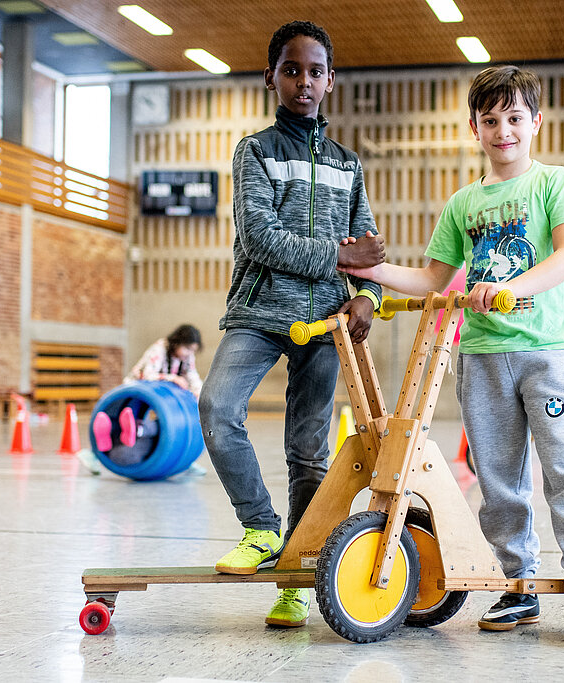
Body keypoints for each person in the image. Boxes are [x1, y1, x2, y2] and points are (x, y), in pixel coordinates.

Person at [341, 65, 564, 650]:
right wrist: (367, 270)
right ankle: (520, 585)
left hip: (546, 349)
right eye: (491, 121)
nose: (503, 131)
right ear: (474, 128)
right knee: (499, 480)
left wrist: (515, 288)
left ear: (535, 122)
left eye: (514, 118)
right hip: (483, 354)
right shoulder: (463, 203)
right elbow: (431, 277)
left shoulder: (554, 183)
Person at [198, 21, 385, 629]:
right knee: (217, 407)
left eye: (315, 72)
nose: (304, 82)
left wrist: (366, 296)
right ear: (272, 77)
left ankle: (298, 575)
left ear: (330, 80)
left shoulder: (347, 163)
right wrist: (340, 257)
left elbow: (369, 249)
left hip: (327, 323)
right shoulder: (254, 151)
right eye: (291, 70)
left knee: (307, 452)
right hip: (258, 315)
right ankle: (260, 529)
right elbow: (261, 239)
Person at [91, 324, 207, 472]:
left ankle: (184, 459)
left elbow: (192, 376)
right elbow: (147, 375)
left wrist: (200, 392)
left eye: (192, 350)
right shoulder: (160, 348)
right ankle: (107, 442)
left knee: (167, 425)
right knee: (130, 418)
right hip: (138, 390)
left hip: (161, 394)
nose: (188, 353)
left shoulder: (187, 357)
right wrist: (172, 378)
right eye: (186, 348)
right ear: (177, 342)